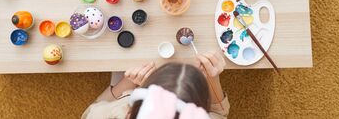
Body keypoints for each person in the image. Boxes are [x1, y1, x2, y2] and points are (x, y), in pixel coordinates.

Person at [81, 51, 230, 118]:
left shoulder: (101, 115)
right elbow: (218, 113)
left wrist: (129, 81)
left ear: (128, 113)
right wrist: (212, 78)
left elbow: (96, 107)